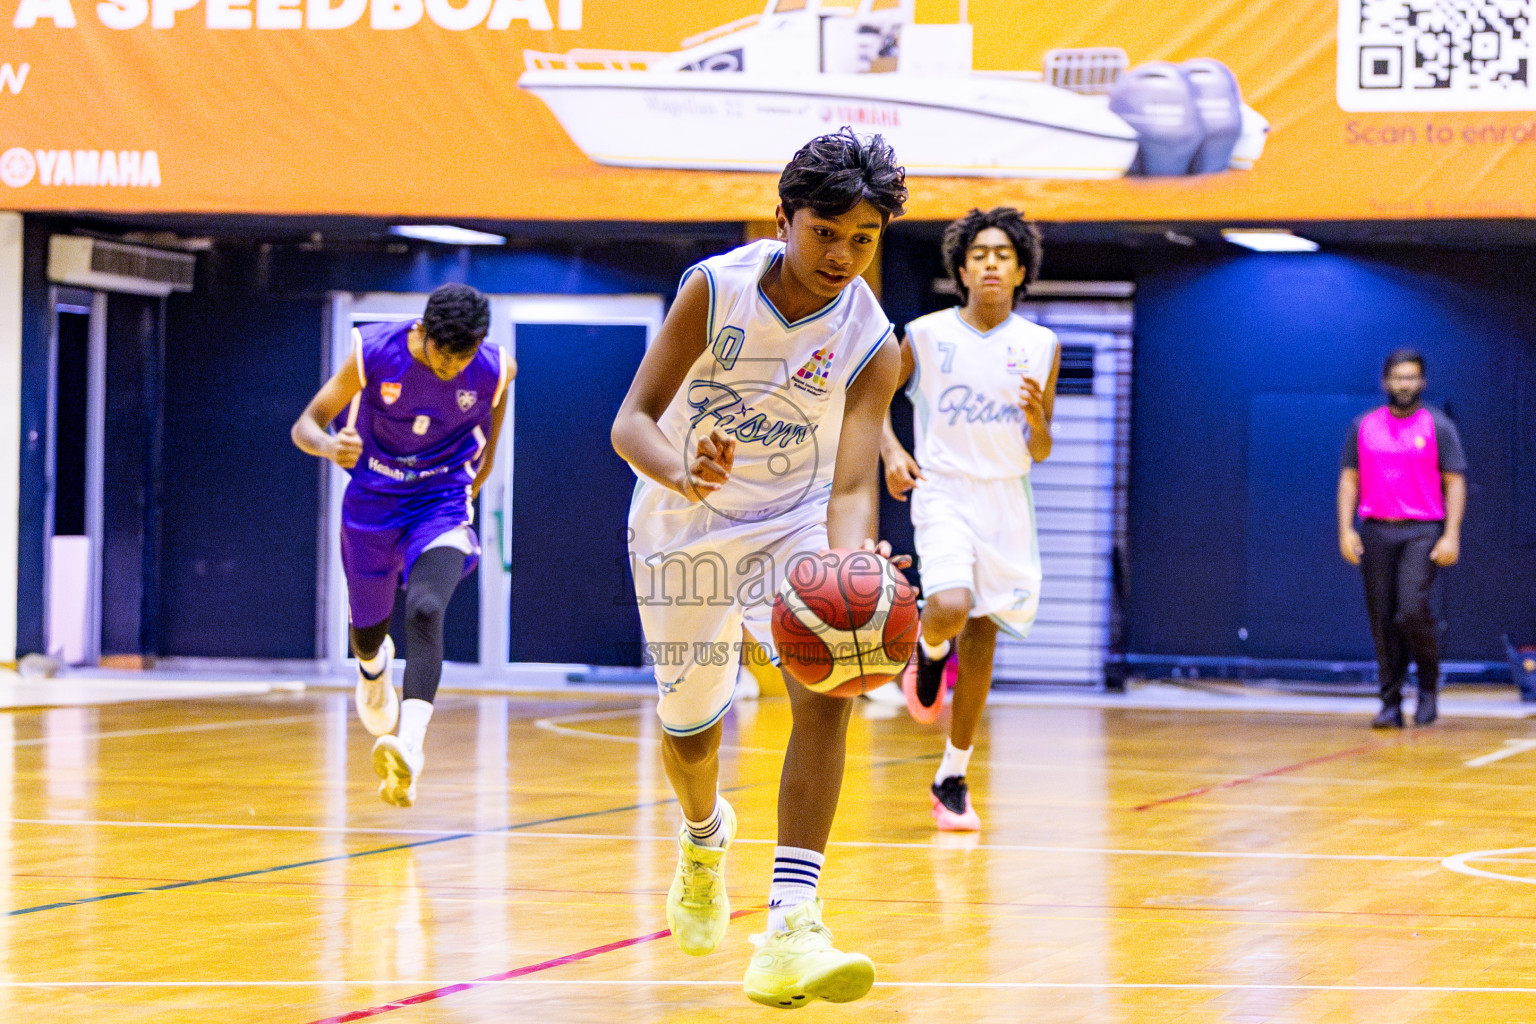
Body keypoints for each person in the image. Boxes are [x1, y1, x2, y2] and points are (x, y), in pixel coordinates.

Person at [611, 127, 907, 1009]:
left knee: (829, 684)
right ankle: (703, 839)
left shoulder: (875, 341)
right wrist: (680, 467)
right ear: (784, 219)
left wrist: (849, 566)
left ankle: (791, 922)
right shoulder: (714, 290)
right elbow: (631, 420)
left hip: (791, 524)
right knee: (691, 733)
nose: (843, 255)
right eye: (827, 232)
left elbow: (854, 482)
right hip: (679, 527)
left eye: (864, 238)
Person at [291, 283, 511, 805]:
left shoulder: (496, 371)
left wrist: (454, 498)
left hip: (440, 504)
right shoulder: (372, 353)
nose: (455, 365)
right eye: (446, 353)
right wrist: (330, 447)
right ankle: (373, 669)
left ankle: (409, 746)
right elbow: (306, 424)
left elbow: (487, 457)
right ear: (422, 333)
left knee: (427, 608)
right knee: (367, 636)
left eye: (465, 354)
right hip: (371, 506)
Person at [880, 207, 1060, 832]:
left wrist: (1039, 421)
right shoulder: (926, 334)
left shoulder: (1041, 345)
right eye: (979, 253)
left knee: (983, 639)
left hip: (1007, 498)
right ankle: (929, 652)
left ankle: (952, 775)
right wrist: (892, 450)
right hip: (945, 491)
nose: (990, 262)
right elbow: (871, 399)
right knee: (951, 604)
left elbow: (1040, 449)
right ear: (961, 267)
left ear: (1020, 271)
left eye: (1002, 254)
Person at [1338, 349, 1465, 728]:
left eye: (1411, 377)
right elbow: (1349, 479)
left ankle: (1428, 686)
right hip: (1376, 529)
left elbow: (1454, 482)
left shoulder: (1437, 426)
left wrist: (1452, 535)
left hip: (1422, 530)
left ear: (1422, 382)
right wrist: (1345, 528)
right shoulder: (1364, 425)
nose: (1404, 384)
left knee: (1410, 610)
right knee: (1382, 620)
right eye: (1397, 377)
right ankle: (1390, 703)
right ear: (1385, 382)